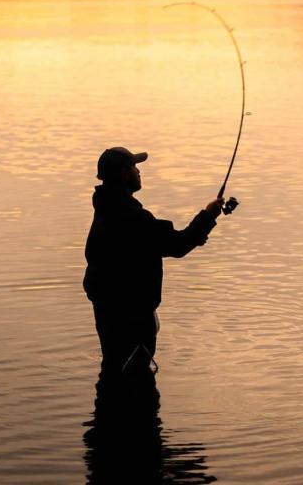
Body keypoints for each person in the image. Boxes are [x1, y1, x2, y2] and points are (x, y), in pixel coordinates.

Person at [83, 147, 224, 374]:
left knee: (113, 372)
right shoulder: (133, 217)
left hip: (108, 311)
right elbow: (177, 246)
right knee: (136, 380)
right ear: (124, 173)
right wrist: (208, 215)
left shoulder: (105, 210)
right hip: (132, 318)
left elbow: (157, 243)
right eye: (135, 167)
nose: (139, 172)